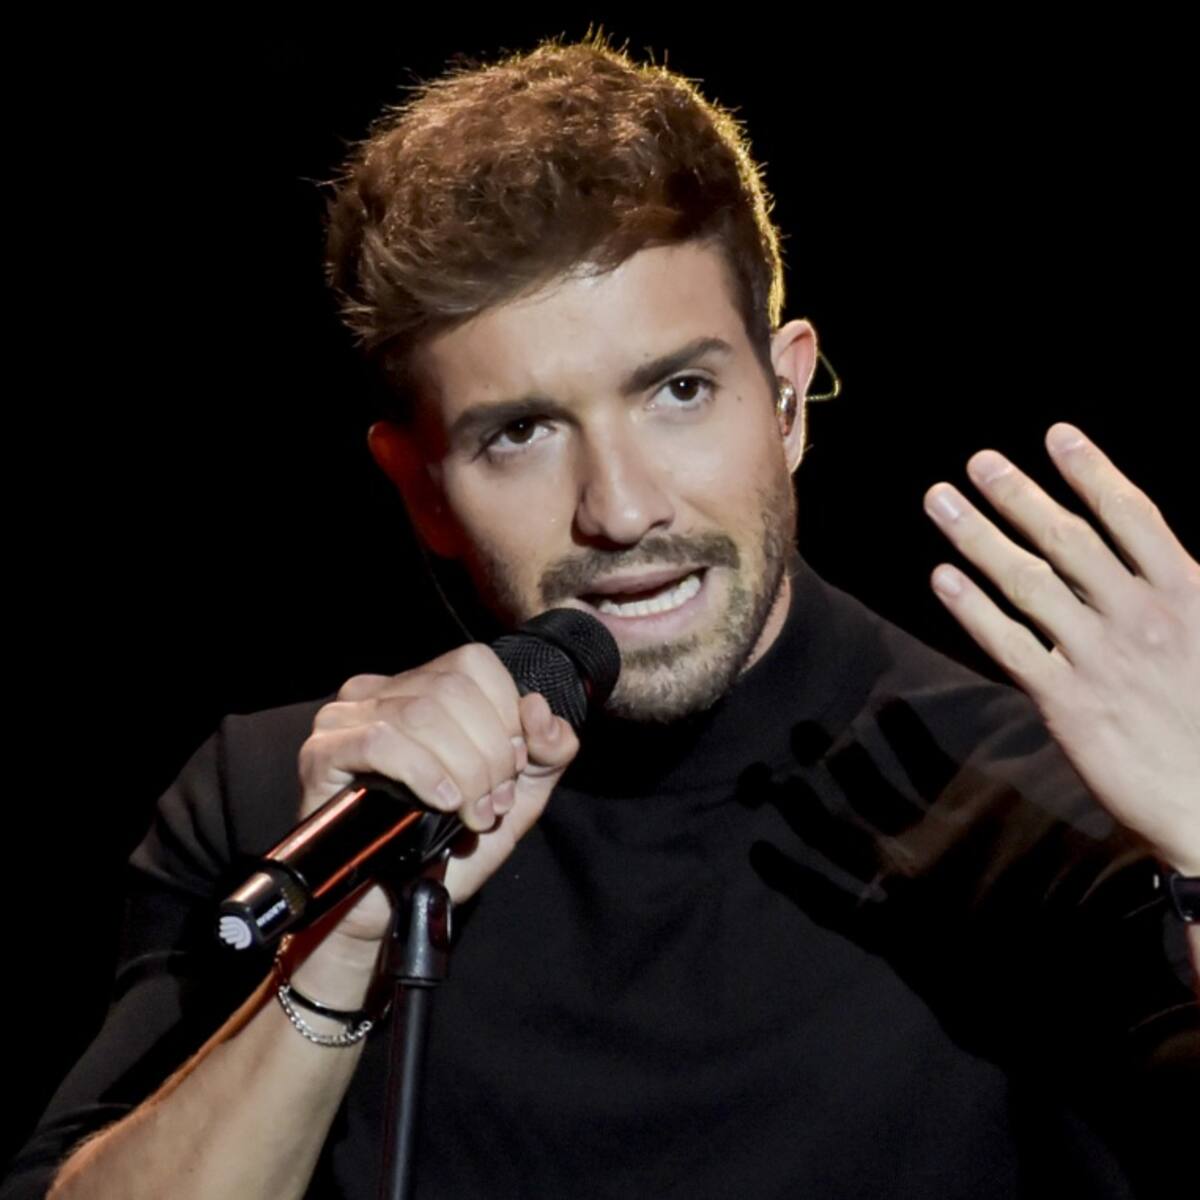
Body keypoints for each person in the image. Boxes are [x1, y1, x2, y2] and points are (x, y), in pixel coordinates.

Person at [7, 35, 1197, 1200]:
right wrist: (338, 957)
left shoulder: (1052, 809)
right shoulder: (294, 806)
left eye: (679, 391)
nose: (620, 510)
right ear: (422, 489)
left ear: (787, 399)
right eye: (522, 433)